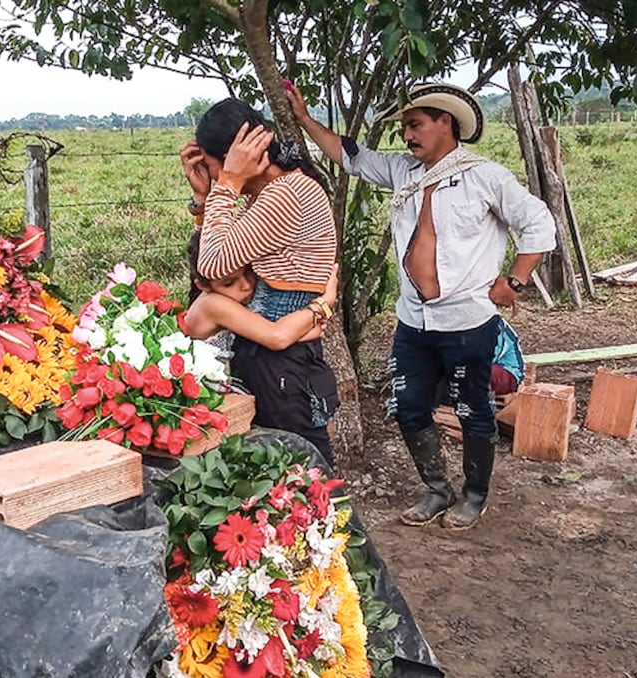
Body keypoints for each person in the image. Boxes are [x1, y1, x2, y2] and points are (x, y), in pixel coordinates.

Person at [288, 81, 556, 530]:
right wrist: (304, 118)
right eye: (405, 129)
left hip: (469, 319)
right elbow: (350, 155)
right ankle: (436, 488)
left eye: (415, 125)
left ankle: (474, 495)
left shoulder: (484, 176)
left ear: (445, 123)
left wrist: (515, 281)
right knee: (408, 406)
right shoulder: (405, 174)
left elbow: (539, 221)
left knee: (473, 409)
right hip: (414, 320)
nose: (407, 136)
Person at [180, 98, 340, 462]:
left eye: (215, 167)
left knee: (305, 473)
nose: (217, 176)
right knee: (290, 471)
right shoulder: (276, 192)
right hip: (278, 357)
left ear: (238, 157)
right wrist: (205, 198)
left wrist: (228, 183)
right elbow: (223, 255)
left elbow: (214, 265)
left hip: (282, 367)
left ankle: (341, 521)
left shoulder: (285, 195)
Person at [182, 229, 339, 353]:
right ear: (204, 286)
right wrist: (323, 305)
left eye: (249, 271)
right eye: (229, 283)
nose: (246, 285)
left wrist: (302, 329)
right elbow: (278, 337)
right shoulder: (212, 304)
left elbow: (279, 335)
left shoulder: (226, 298)